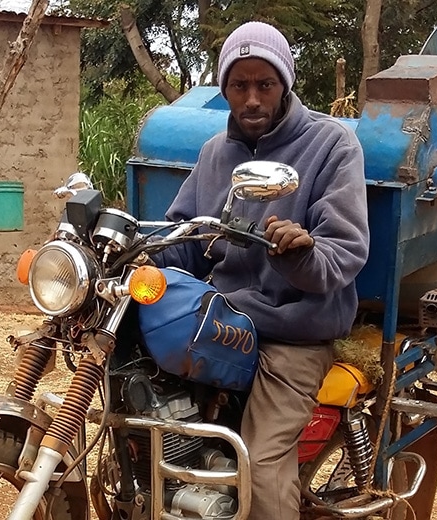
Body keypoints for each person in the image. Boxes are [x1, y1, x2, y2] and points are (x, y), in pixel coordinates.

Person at [155, 21, 370, 520]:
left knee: (262, 462)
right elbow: (186, 239)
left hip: (294, 330)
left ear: (285, 84)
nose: (251, 99)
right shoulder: (215, 154)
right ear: (224, 87)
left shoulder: (332, 145)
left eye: (264, 84)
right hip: (223, 318)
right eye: (238, 85)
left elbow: (345, 250)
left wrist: (301, 253)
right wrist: (138, 251)